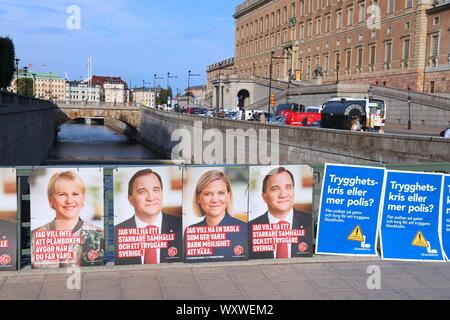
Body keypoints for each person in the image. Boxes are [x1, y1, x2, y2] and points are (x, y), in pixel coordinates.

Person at [31, 171, 104, 269]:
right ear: (50, 200)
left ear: (83, 199)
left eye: (75, 194)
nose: (69, 200)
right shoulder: (35, 236)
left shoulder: (98, 235)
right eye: (62, 194)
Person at [115, 169, 182, 265]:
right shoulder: (116, 234)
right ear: (130, 200)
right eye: (142, 191)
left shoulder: (182, 228)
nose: (151, 197)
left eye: (156, 190)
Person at [248, 167, 313, 260]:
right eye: (275, 189)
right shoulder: (249, 229)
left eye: (288, 187)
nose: (283, 194)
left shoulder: (310, 222)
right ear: (264, 197)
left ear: (293, 191)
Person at [185, 170, 248, 262]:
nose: (215, 200)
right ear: (198, 198)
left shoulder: (245, 230)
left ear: (228, 195)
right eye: (208, 194)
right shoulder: (190, 232)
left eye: (221, 193)